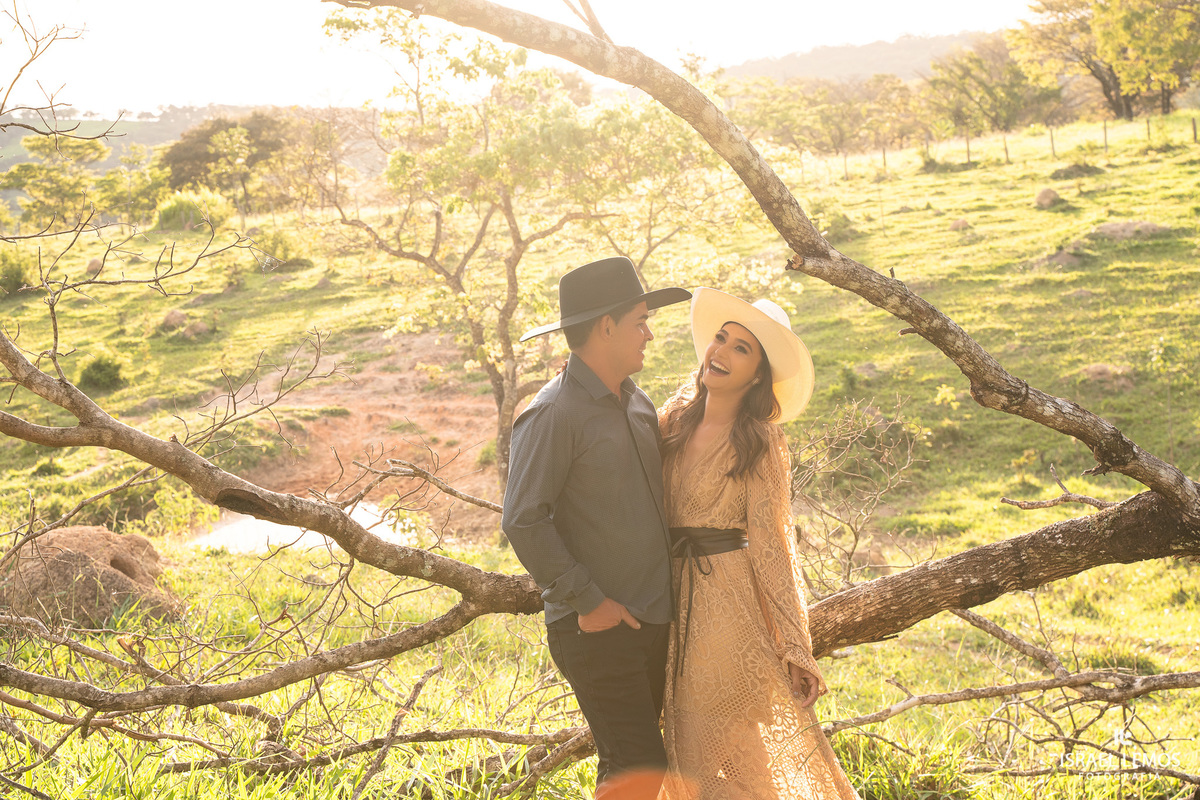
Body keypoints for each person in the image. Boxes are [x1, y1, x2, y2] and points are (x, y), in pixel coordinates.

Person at [658, 287, 860, 800]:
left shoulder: (760, 441)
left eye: (741, 349)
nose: (720, 352)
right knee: (702, 757)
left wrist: (796, 644)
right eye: (721, 339)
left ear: (757, 375)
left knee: (718, 759)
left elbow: (772, 545)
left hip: (727, 605)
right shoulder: (672, 419)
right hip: (666, 599)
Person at [502, 256, 691, 799]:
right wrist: (590, 602)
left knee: (630, 767)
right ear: (605, 326)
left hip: (652, 620)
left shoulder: (637, 403)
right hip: (598, 628)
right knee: (638, 766)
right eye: (639, 320)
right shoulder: (553, 413)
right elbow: (522, 519)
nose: (649, 334)